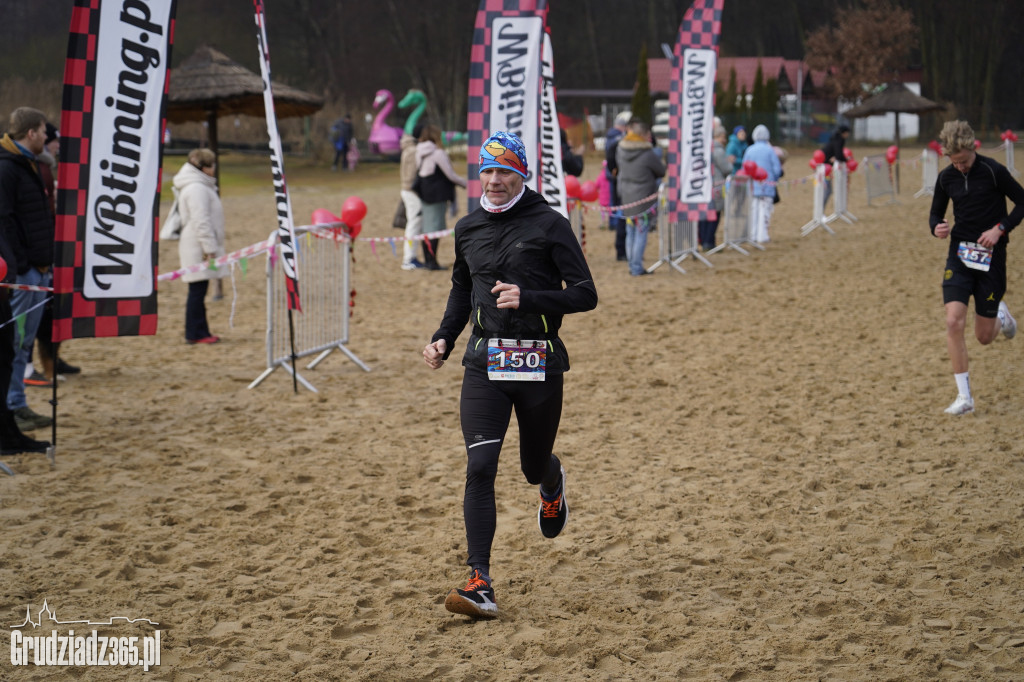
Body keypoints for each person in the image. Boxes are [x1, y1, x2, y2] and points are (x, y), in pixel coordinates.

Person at [422, 131, 597, 619]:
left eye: (506, 171)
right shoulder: (467, 227)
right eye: (489, 171)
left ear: (522, 174)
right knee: (480, 468)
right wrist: (443, 337)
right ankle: (480, 581)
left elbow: (585, 293)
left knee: (530, 466)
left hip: (538, 363)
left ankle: (551, 478)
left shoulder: (550, 225)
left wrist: (531, 297)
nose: (496, 181)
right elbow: (463, 289)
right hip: (484, 365)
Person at [928, 120, 1024, 415]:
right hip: (959, 256)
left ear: (974, 149)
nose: (961, 168)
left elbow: (1022, 202)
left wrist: (1000, 229)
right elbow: (935, 214)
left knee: (983, 336)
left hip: (991, 259)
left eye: (965, 161)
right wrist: (937, 228)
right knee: (953, 321)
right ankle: (965, 398)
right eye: (955, 163)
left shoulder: (994, 171)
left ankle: (1001, 316)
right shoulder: (946, 178)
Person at [0, 107, 55, 433]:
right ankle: (12, 408)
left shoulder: (27, 164)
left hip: (38, 268)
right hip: (24, 274)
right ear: (30, 133)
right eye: (44, 131)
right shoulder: (8, 168)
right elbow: (3, 221)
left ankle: (17, 403)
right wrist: (20, 266)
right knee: (16, 343)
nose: (47, 137)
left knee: (24, 342)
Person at [173, 148, 226, 344]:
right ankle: (195, 333)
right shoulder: (196, 189)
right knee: (197, 291)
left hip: (199, 245)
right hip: (197, 246)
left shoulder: (200, 186)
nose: (214, 170)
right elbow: (201, 220)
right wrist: (209, 248)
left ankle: (200, 330)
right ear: (204, 167)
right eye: (212, 166)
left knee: (199, 290)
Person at [616, 118, 665, 276]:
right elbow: (661, 171)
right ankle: (636, 267)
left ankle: (632, 265)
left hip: (627, 196)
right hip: (643, 198)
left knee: (630, 231)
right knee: (641, 232)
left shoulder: (621, 150)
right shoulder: (647, 153)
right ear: (643, 134)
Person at [415, 125, 466, 271]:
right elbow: (450, 174)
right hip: (437, 195)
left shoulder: (419, 151)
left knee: (426, 229)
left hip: (424, 193)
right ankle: (432, 262)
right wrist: (465, 183)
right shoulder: (438, 153)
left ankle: (428, 260)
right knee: (435, 230)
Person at [740, 125, 782, 244]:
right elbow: (777, 169)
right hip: (767, 187)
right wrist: (774, 179)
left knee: (754, 210)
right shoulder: (770, 150)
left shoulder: (749, 150)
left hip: (752, 186)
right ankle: (762, 235)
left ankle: (752, 235)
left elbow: (744, 167)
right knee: (765, 211)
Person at [698, 123, 733, 252]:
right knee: (715, 215)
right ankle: (709, 242)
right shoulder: (718, 151)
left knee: (704, 215)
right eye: (723, 137)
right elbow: (727, 168)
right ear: (718, 137)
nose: (725, 140)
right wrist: (730, 162)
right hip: (717, 187)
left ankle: (704, 240)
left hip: (704, 186)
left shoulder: (704, 149)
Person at [605, 110, 631, 260]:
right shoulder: (618, 141)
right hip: (621, 182)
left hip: (618, 180)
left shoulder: (614, 139)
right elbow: (610, 156)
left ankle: (621, 249)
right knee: (622, 214)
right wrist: (614, 171)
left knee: (619, 210)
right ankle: (621, 249)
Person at [399, 122, 426, 270]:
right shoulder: (413, 151)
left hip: (409, 190)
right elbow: (410, 174)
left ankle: (411, 257)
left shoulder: (409, 148)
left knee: (414, 223)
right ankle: (408, 259)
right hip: (411, 191)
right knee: (413, 224)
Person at [820, 124, 850, 211]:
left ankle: (821, 211)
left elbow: (837, 155)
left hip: (825, 166)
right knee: (827, 191)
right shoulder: (839, 140)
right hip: (824, 167)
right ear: (844, 133)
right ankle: (820, 212)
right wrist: (846, 159)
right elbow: (839, 154)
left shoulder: (835, 139)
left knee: (827, 191)